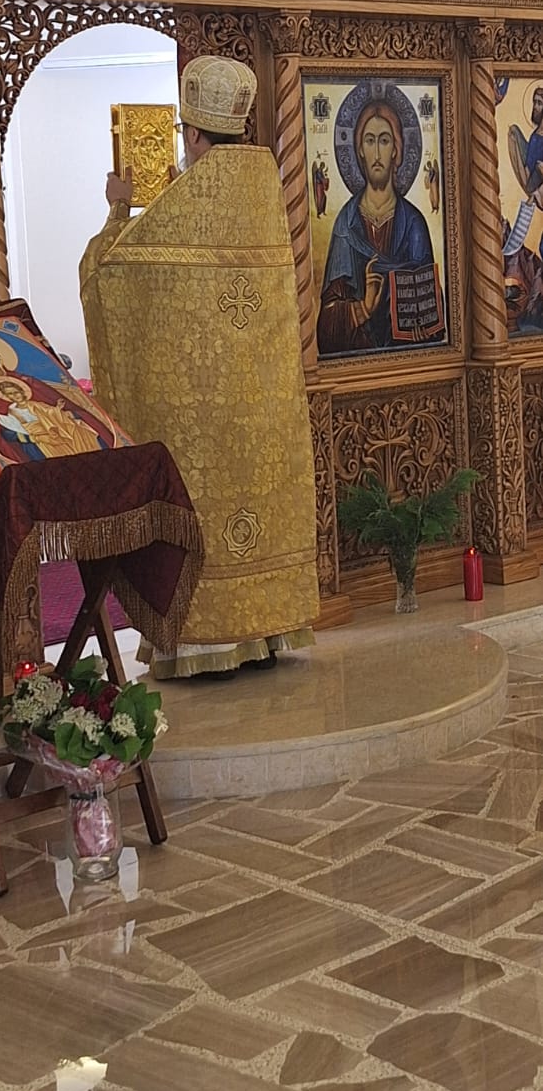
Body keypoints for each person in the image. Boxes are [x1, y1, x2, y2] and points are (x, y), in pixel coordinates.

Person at [80, 54, 319, 680]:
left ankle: (203, 642)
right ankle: (263, 632)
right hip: (258, 410)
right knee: (254, 504)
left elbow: (105, 273)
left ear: (190, 134)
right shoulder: (265, 186)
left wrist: (118, 209)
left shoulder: (182, 204)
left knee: (204, 513)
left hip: (199, 421)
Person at [317, 101, 442, 354]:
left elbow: (431, 306)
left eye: (384, 141)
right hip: (357, 360)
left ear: (396, 150)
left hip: (409, 359)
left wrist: (426, 327)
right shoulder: (346, 225)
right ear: (359, 150)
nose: (376, 154)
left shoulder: (414, 223)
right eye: (369, 141)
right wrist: (363, 308)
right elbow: (325, 326)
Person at [0, 337, 117, 465]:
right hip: (32, 438)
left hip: (60, 425)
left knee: (85, 431)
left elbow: (60, 403)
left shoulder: (26, 379)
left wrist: (64, 414)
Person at [0, 375, 104, 458]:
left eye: (16, 392)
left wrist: (58, 409)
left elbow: (51, 413)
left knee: (81, 430)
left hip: (57, 431)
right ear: (6, 396)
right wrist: (0, 417)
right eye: (10, 394)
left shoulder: (37, 404)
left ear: (22, 391)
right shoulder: (13, 411)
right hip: (44, 440)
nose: (15, 395)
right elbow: (16, 428)